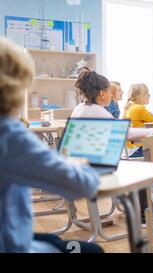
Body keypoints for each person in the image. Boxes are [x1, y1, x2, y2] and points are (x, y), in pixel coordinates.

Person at [0, 37, 103, 253]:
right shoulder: (9, 135)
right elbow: (80, 185)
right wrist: (80, 163)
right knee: (92, 251)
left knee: (54, 241)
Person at [123, 83, 153, 158]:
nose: (149, 96)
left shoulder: (130, 107)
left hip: (129, 149)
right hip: (137, 149)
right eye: (147, 93)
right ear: (140, 96)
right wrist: (152, 115)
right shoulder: (139, 109)